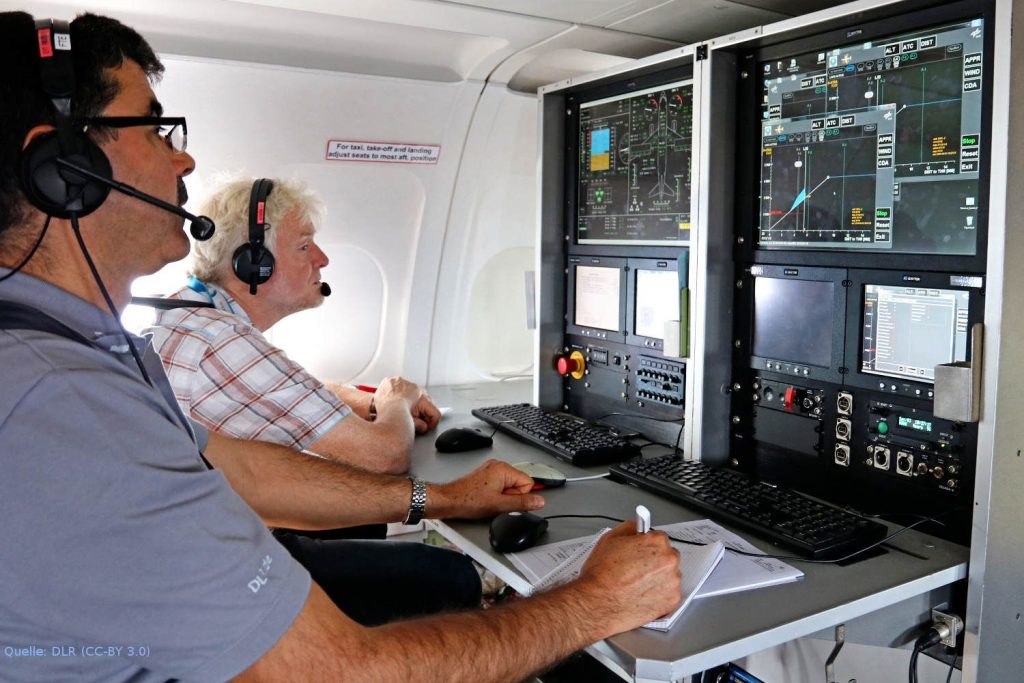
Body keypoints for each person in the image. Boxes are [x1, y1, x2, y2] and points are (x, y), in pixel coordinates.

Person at [0, 11, 682, 683]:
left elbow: (249, 473)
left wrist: (442, 500)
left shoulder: (88, 354)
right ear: (66, 170)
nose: (185, 157)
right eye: (154, 127)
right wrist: (593, 602)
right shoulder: (60, 401)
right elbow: (337, 671)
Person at [144, 177, 436, 476]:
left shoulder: (191, 313)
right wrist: (397, 398)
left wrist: (371, 403)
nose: (322, 259)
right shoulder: (222, 340)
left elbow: (285, 389)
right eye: (304, 246)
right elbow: (386, 455)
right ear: (255, 264)